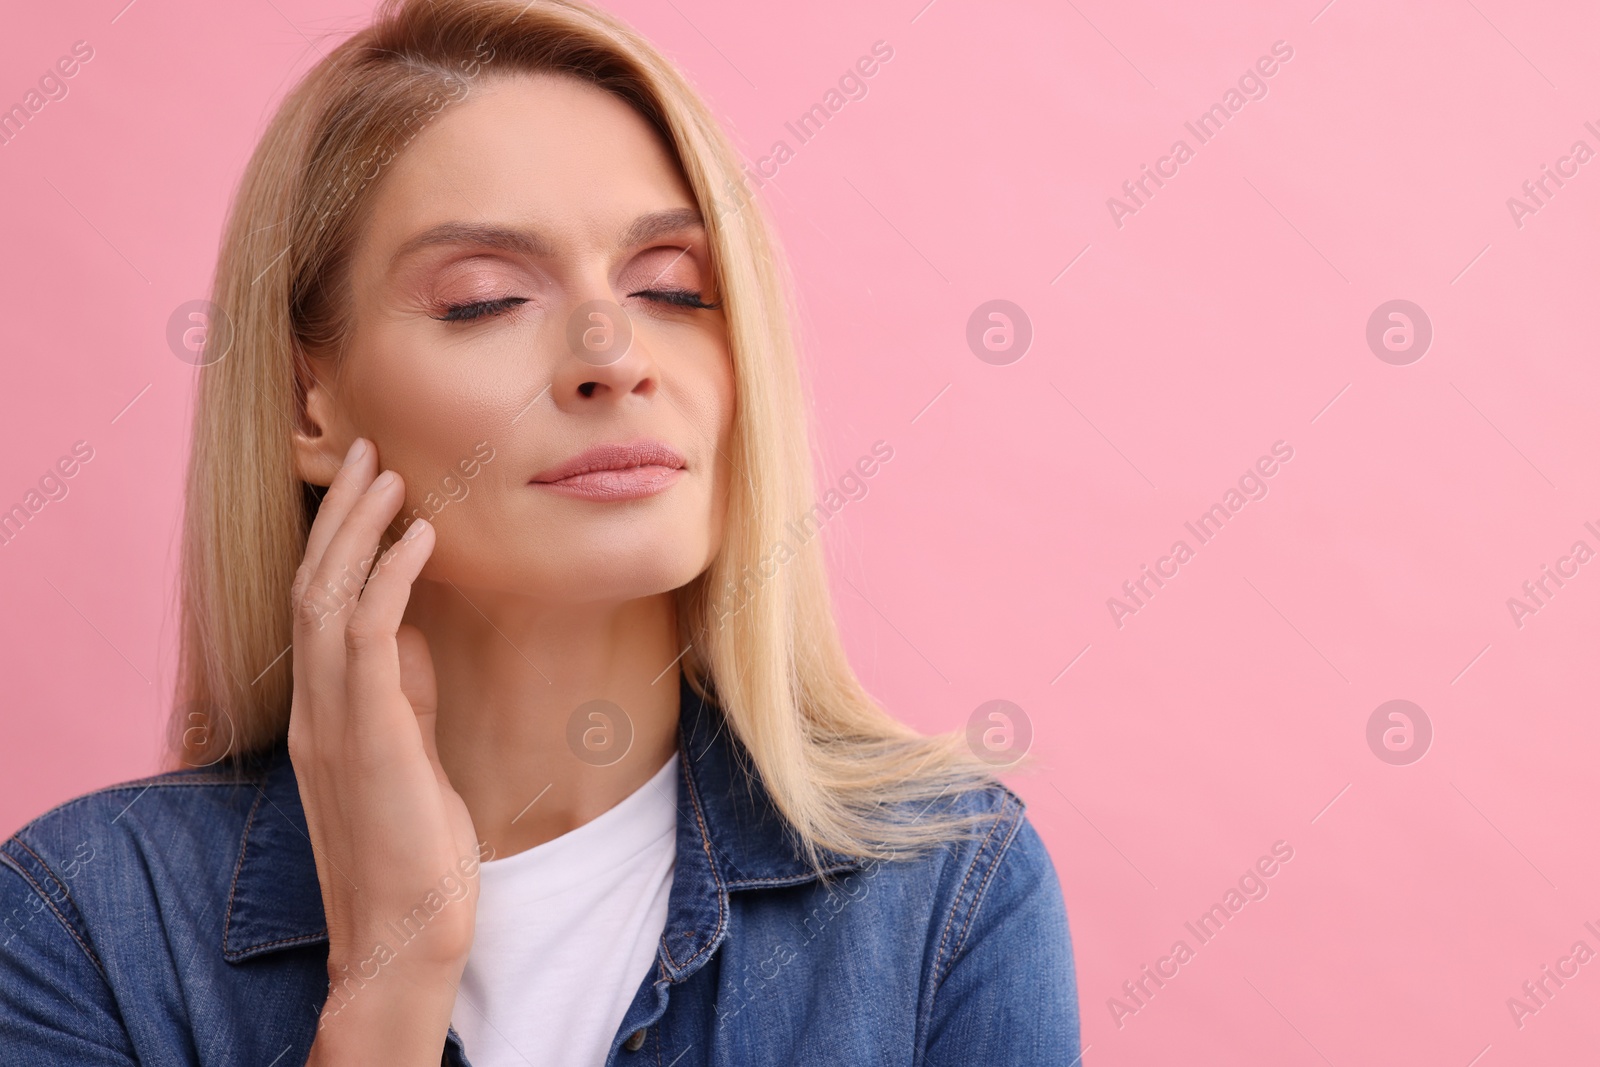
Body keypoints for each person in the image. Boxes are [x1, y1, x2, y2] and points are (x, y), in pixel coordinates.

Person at [0, 1, 1081, 1063]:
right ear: (304, 405)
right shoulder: (84, 919)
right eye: (483, 299)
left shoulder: (948, 887)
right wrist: (386, 978)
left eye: (673, 288)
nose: (613, 351)